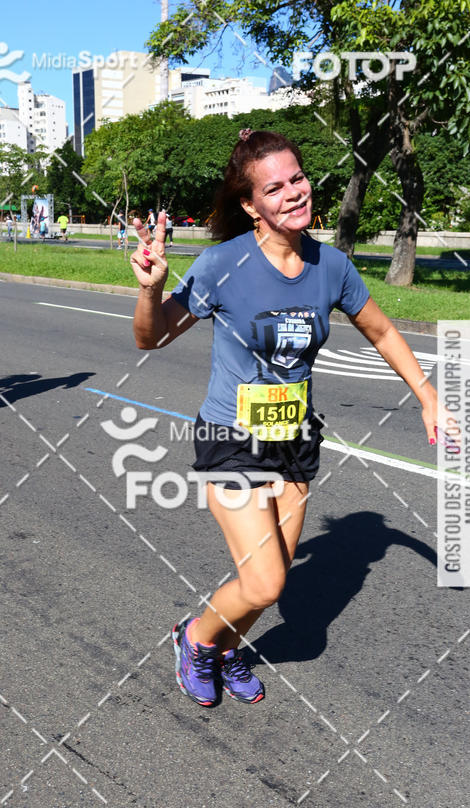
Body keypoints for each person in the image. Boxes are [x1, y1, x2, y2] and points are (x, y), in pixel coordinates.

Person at [131, 129, 440, 708]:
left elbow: (380, 329)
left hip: (294, 439)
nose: (295, 193)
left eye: (297, 178)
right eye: (274, 188)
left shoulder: (331, 265)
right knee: (266, 580)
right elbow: (152, 339)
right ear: (251, 205)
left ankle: (224, 652)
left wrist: (425, 392)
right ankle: (194, 638)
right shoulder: (223, 262)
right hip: (233, 437)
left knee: (270, 586)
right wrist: (150, 292)